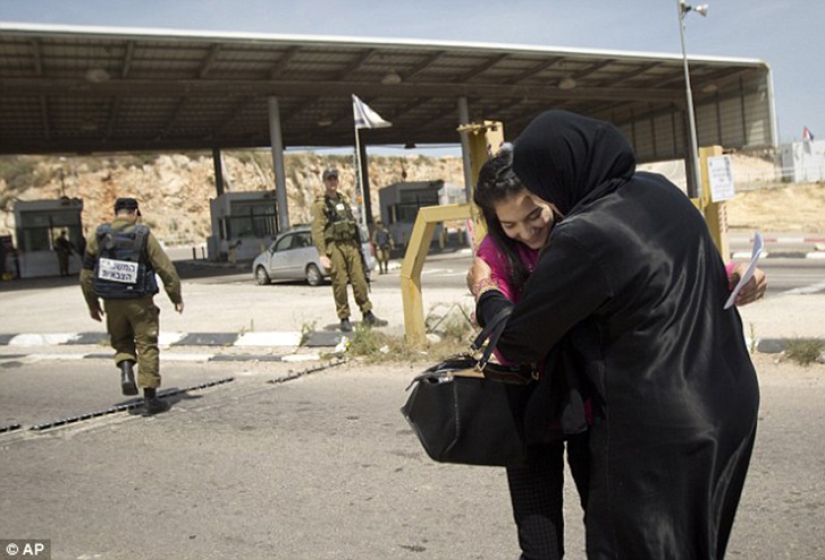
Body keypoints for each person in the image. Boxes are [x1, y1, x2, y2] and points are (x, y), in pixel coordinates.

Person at [467, 111, 761, 559]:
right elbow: (660, 268)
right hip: (725, 402)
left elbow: (517, 341)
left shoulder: (584, 232)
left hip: (657, 420)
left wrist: (486, 291)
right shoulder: (656, 189)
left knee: (627, 544)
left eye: (541, 192)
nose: (530, 226)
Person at [80, 197, 184, 416]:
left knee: (121, 340)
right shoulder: (143, 235)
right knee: (146, 345)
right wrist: (175, 296)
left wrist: (92, 304)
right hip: (140, 301)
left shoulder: (98, 235)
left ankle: (126, 368)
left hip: (111, 302)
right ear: (135, 212)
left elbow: (86, 274)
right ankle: (150, 399)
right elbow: (165, 268)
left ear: (116, 212)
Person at [311, 168, 384, 332]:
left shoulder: (343, 200)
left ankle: (367, 312)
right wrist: (322, 254)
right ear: (324, 181)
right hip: (335, 246)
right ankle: (344, 317)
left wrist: (358, 246)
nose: (332, 182)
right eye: (329, 179)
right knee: (340, 282)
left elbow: (352, 223)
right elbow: (317, 231)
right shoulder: (320, 204)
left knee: (359, 279)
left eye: (334, 178)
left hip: (350, 244)